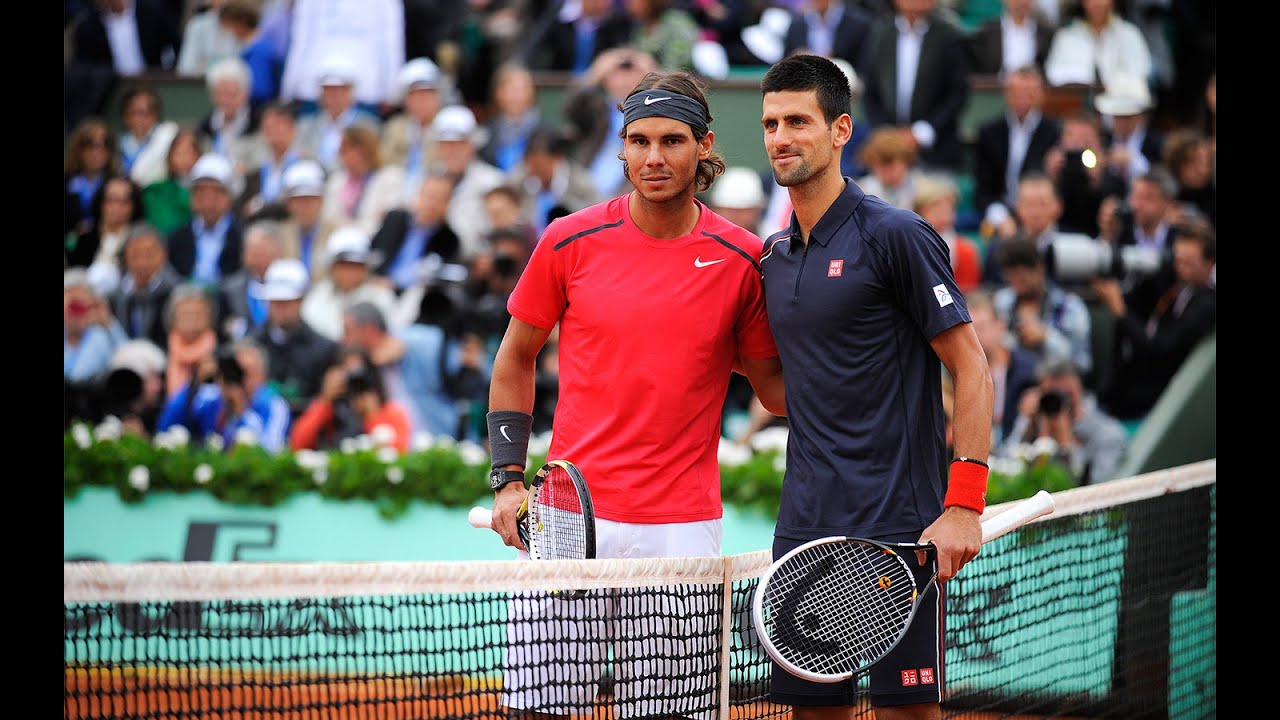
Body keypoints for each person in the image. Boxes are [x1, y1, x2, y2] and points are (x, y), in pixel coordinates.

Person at [483, 69, 784, 717]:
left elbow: (775, 393)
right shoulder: (568, 238)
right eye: (639, 140)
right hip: (567, 517)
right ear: (620, 148)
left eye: (672, 140)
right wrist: (508, 479)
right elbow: (514, 357)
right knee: (535, 712)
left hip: (680, 529)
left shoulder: (743, 260)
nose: (653, 157)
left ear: (704, 147)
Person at [758, 54, 993, 717]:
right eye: (772, 123)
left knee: (905, 713)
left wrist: (965, 503)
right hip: (805, 527)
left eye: (798, 121)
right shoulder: (774, 258)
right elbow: (782, 394)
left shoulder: (897, 235)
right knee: (813, 713)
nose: (781, 137)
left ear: (839, 131)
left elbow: (971, 366)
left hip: (899, 527)